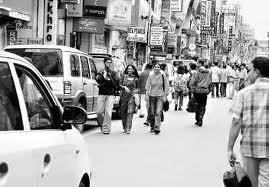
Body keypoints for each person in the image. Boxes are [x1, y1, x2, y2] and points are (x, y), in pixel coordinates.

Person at [228, 56, 269, 187]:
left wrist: (230, 148)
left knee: (251, 183)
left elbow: (236, 122)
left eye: (250, 70)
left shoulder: (243, 93)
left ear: (257, 72)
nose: (248, 73)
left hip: (249, 146)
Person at [96, 58, 119, 134]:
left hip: (110, 94)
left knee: (108, 111)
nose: (109, 64)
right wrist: (103, 76)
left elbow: (115, 85)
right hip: (102, 93)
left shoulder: (113, 73)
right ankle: (103, 125)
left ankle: (106, 128)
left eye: (110, 62)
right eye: (107, 62)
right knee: (99, 112)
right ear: (104, 63)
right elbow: (98, 81)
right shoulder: (101, 72)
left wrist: (109, 77)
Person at [145, 62, 169, 134]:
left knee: (158, 112)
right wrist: (146, 94)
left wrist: (165, 95)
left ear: (160, 68)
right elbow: (147, 85)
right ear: (153, 68)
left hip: (160, 96)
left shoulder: (162, 75)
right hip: (152, 96)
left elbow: (166, 85)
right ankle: (152, 126)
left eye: (158, 67)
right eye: (155, 67)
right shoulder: (151, 75)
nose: (157, 68)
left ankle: (157, 127)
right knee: (152, 112)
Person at [189, 59, 212, 127]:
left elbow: (192, 82)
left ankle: (198, 119)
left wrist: (192, 89)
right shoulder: (208, 72)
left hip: (197, 91)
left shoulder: (197, 73)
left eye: (197, 63)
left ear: (199, 64)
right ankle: (201, 116)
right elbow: (210, 82)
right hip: (204, 91)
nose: (197, 64)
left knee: (197, 104)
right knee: (203, 105)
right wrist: (208, 90)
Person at [119, 65, 139, 134]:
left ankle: (128, 128)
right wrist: (124, 87)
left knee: (130, 112)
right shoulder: (124, 76)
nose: (129, 70)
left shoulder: (136, 78)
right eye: (128, 69)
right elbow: (120, 85)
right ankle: (124, 127)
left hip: (132, 96)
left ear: (133, 70)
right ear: (127, 70)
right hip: (124, 96)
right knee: (123, 112)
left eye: (131, 69)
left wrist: (136, 91)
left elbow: (138, 88)